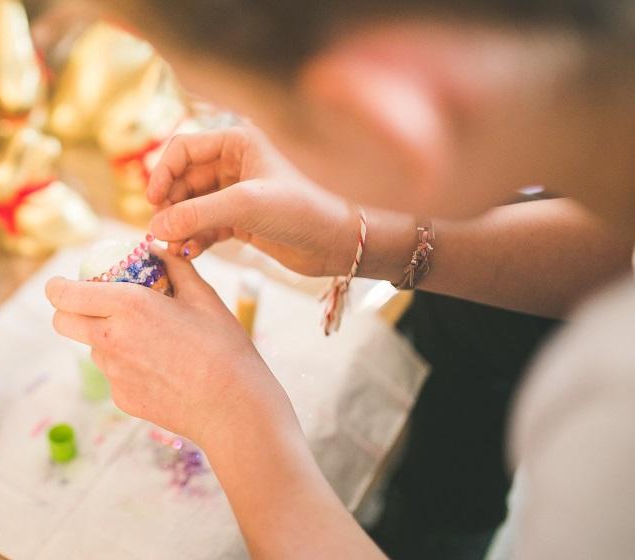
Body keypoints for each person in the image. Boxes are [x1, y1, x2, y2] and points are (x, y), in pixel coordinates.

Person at [46, 2, 635, 558]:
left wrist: (232, 415)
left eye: (271, 121)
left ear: (378, 123)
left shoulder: (608, 419)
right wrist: (367, 237)